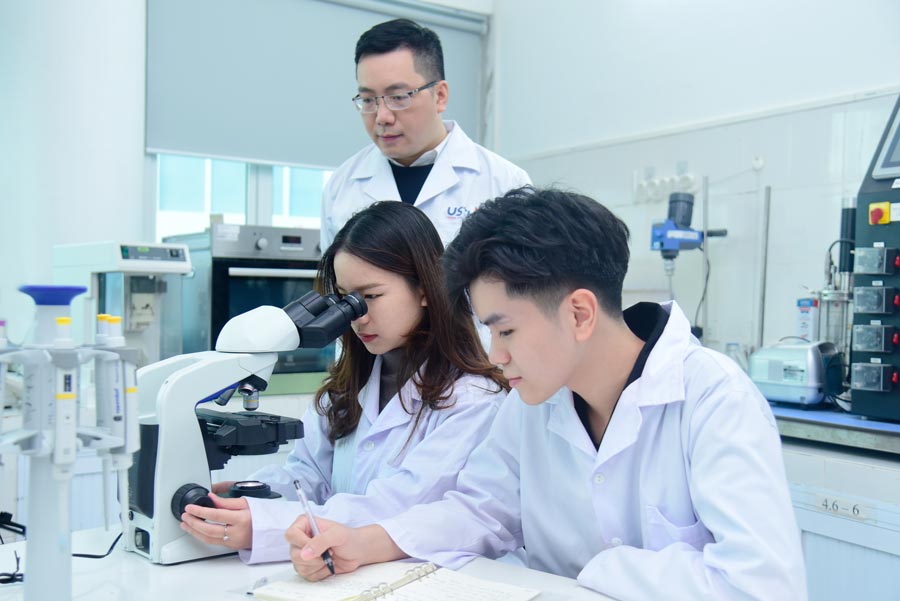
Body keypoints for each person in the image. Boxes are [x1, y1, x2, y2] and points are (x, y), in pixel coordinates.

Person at [286, 187, 809, 600]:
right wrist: (363, 543)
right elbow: (479, 511)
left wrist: (602, 569)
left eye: (506, 330)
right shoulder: (531, 405)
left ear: (579, 313)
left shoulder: (713, 398)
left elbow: (762, 587)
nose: (495, 355)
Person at [179, 201, 508, 564]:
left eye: (370, 296)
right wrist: (255, 498)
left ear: (425, 289)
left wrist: (265, 526)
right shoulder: (349, 385)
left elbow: (394, 506)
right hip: (340, 571)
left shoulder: (472, 398)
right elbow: (308, 477)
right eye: (346, 300)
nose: (358, 316)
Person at [320, 18, 530, 250]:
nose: (382, 117)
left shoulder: (505, 183)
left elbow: (522, 282)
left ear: (440, 96)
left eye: (399, 97)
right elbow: (333, 282)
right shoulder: (341, 187)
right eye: (368, 100)